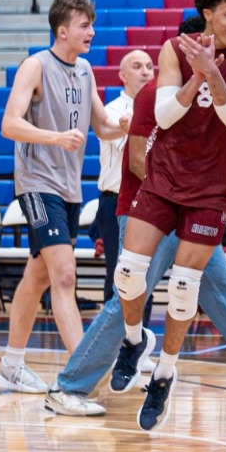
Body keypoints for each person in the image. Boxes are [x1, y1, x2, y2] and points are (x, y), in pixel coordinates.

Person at [43, 32, 226, 418]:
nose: (217, 57)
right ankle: (69, 386)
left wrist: (217, 205)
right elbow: (139, 159)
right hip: (150, 210)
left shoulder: (215, 99)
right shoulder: (154, 96)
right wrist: (179, 198)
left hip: (192, 212)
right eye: (207, 50)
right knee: (128, 300)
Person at [110, 0, 226, 431]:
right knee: (128, 271)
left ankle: (164, 372)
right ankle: (135, 339)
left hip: (211, 187)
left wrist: (214, 72)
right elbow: (163, 114)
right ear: (208, 15)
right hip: (163, 178)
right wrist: (197, 72)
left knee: (183, 286)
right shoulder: (174, 49)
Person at [0, 0, 128, 394]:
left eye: (92, 24)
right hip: (37, 183)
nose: (91, 31)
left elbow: (102, 127)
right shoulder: (35, 66)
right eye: (84, 25)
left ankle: (11, 365)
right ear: (63, 30)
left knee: (37, 277)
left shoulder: (85, 70)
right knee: (65, 275)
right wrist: (55, 137)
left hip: (69, 188)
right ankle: (80, 375)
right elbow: (9, 124)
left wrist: (129, 124)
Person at [94, 48, 155, 299]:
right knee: (119, 275)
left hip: (150, 201)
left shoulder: (159, 109)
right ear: (122, 75)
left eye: (150, 66)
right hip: (117, 202)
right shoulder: (113, 111)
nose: (145, 71)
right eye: (137, 66)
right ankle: (114, 337)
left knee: (146, 278)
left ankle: (140, 337)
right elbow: (134, 152)